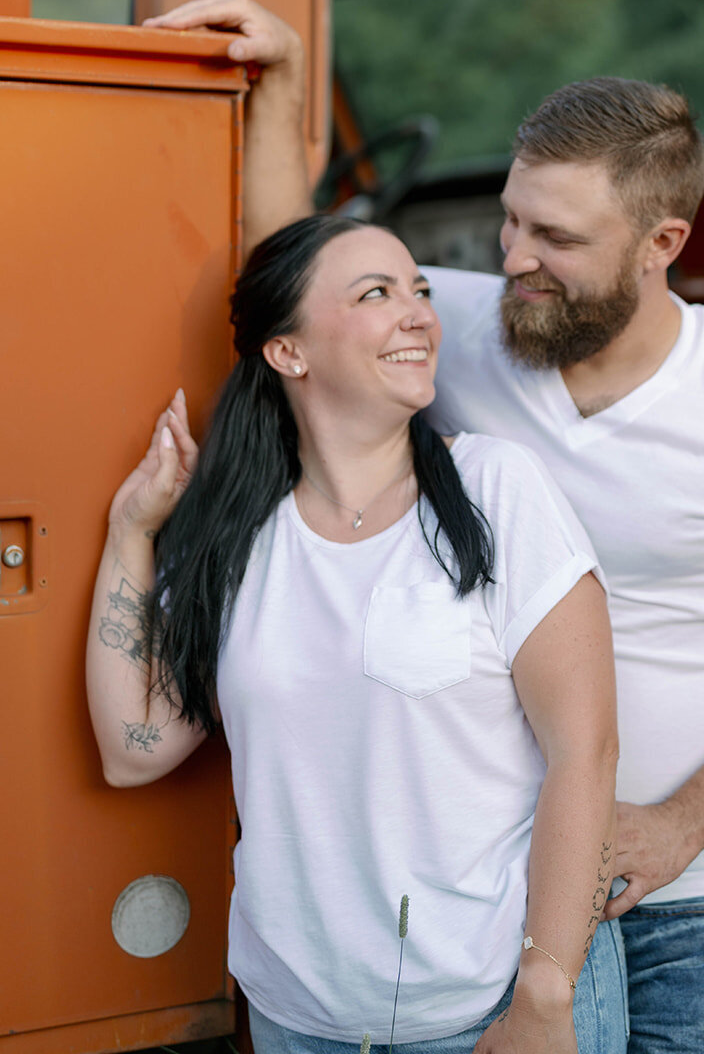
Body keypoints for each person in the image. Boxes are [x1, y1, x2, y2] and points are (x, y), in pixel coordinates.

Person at [145, 0, 704, 1054]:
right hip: (495, 890)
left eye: (554, 236)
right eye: (509, 218)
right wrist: (287, 85)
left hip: (690, 891)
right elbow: (296, 279)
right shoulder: (460, 333)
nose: (512, 256)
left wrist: (675, 826)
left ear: (658, 241)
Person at [86, 212, 626, 1054]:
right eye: (376, 293)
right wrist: (131, 533)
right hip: (301, 1022)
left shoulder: (497, 491)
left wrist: (546, 998)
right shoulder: (235, 542)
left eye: (418, 289)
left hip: (493, 1012)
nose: (418, 311)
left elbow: (584, 752)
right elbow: (134, 746)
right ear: (287, 352)